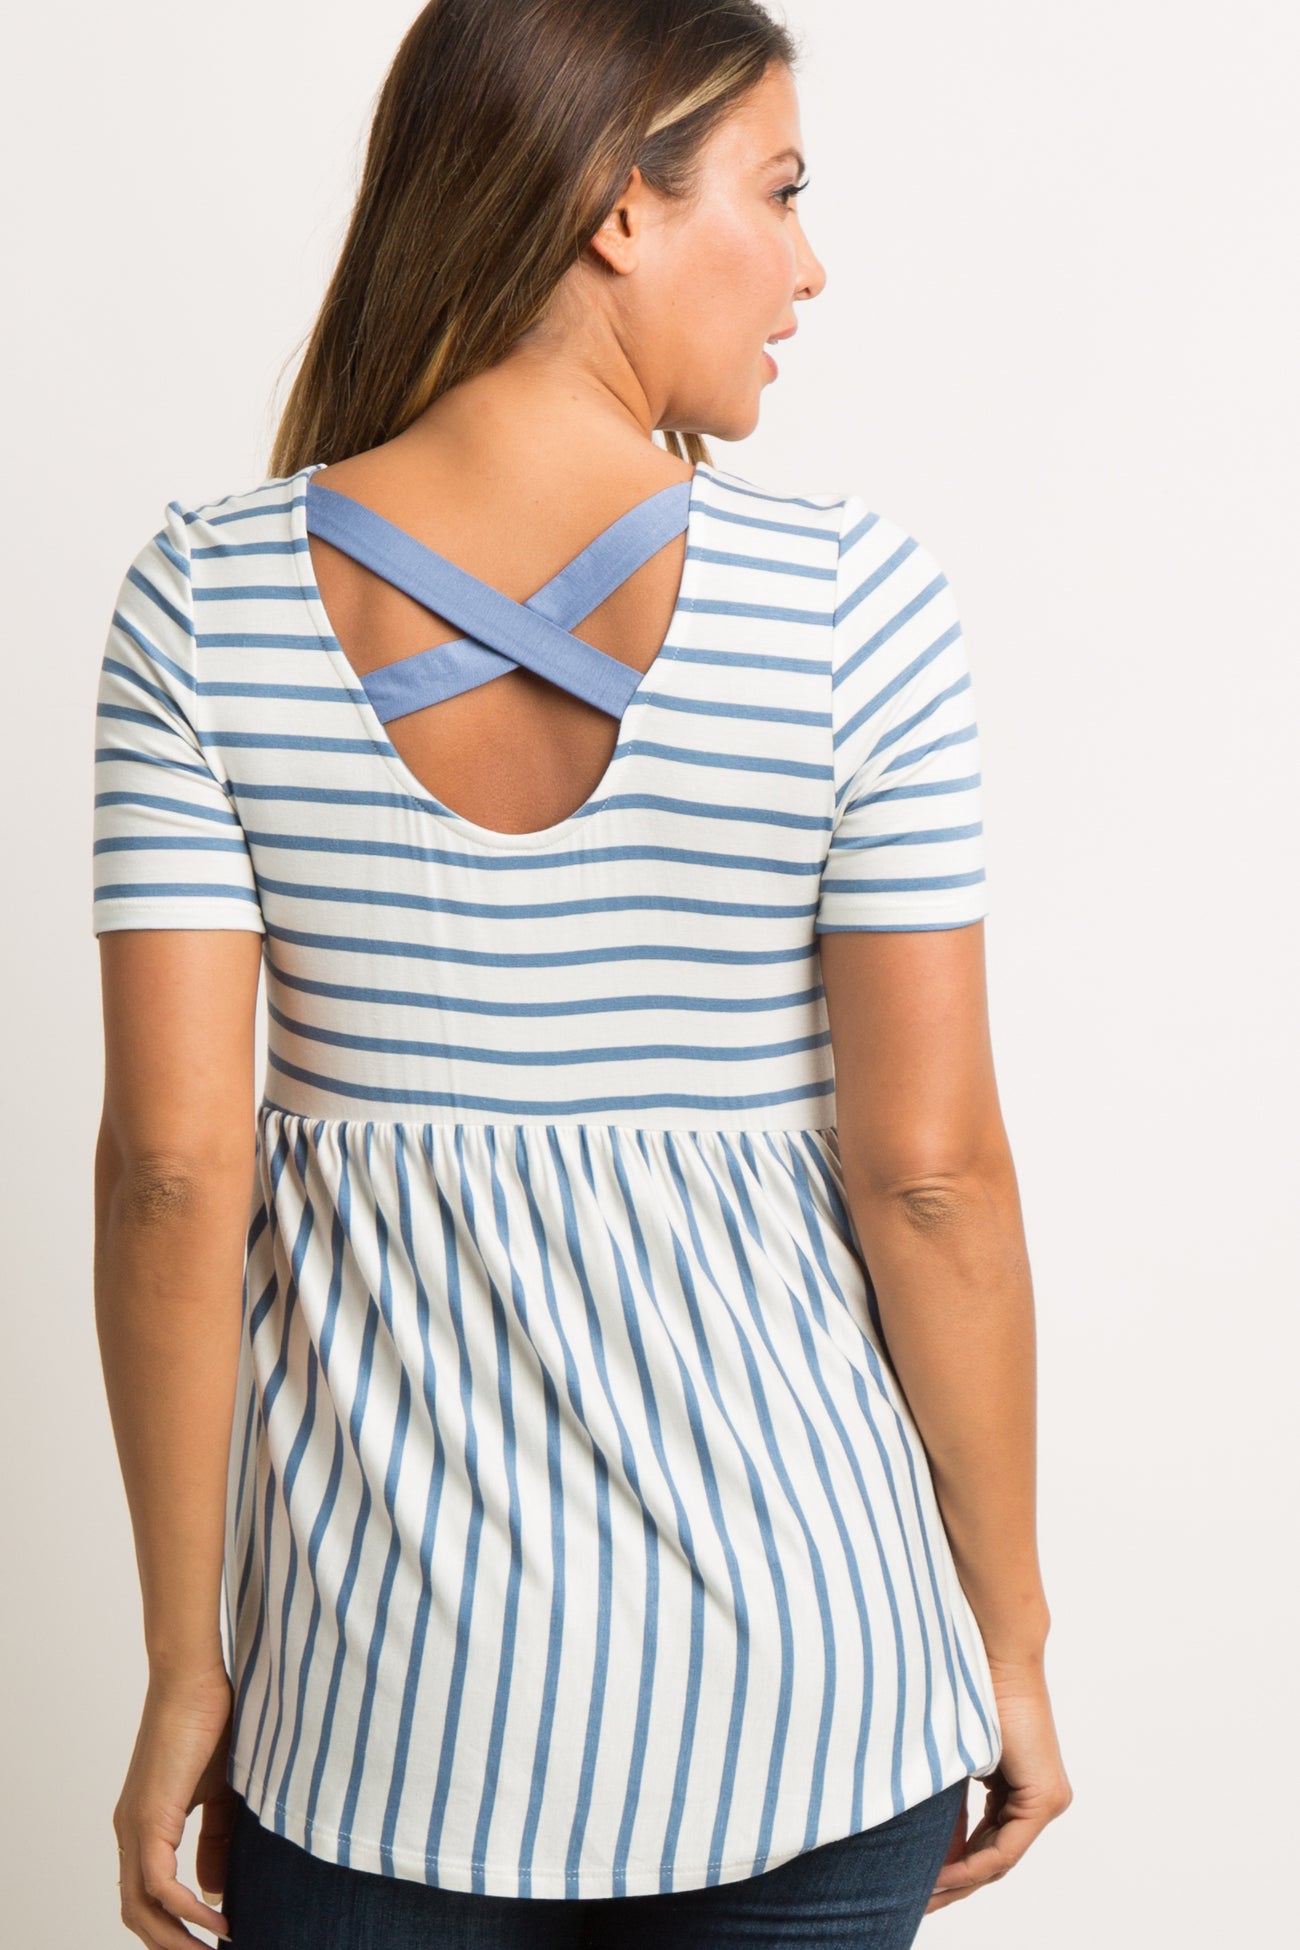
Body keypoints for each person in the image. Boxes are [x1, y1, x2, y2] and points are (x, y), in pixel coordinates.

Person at [91, 2, 1071, 1944]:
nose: (808, 264)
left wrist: (185, 1659)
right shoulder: (851, 607)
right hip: (812, 1695)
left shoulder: (204, 601)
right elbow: (931, 1178)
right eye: (777, 192)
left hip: (379, 1717)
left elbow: (176, 1176)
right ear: (621, 207)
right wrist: (1012, 1639)